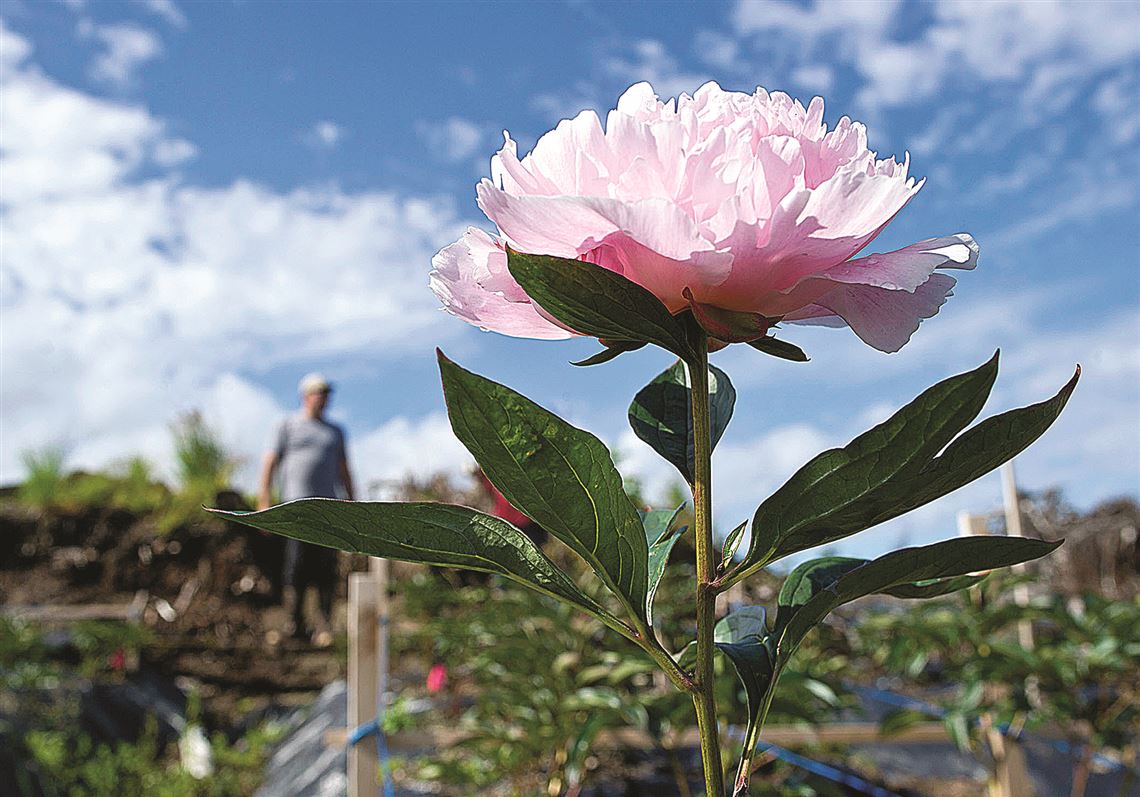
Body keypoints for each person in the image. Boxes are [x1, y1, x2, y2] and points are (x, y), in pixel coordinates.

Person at [258, 373, 355, 647]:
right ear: (306, 396)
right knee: (295, 567)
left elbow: (344, 470)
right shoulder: (287, 426)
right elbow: (269, 463)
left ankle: (324, 626)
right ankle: (294, 625)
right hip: (296, 510)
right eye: (318, 393)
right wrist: (264, 501)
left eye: (326, 394)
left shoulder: (335, 432)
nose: (323, 399)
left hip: (329, 512)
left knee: (326, 570)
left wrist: (354, 504)